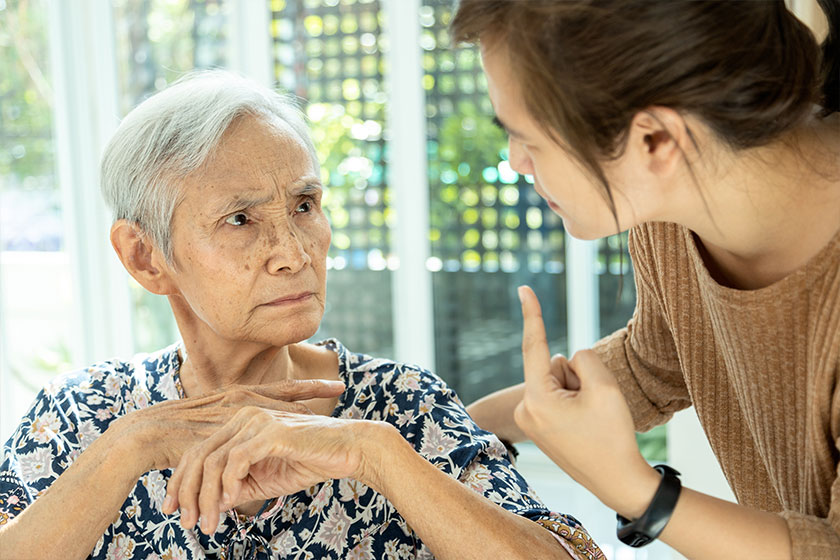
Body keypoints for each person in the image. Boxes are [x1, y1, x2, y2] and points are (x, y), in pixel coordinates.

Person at [0, 71, 603, 560]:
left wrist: (376, 456)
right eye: (240, 220)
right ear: (145, 256)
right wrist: (124, 452)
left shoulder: (402, 405)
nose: (293, 253)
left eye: (305, 205)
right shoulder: (82, 418)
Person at [453, 0, 840, 558]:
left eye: (528, 138)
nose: (516, 161)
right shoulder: (672, 216)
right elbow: (656, 361)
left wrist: (636, 490)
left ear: (655, 140)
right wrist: (448, 430)